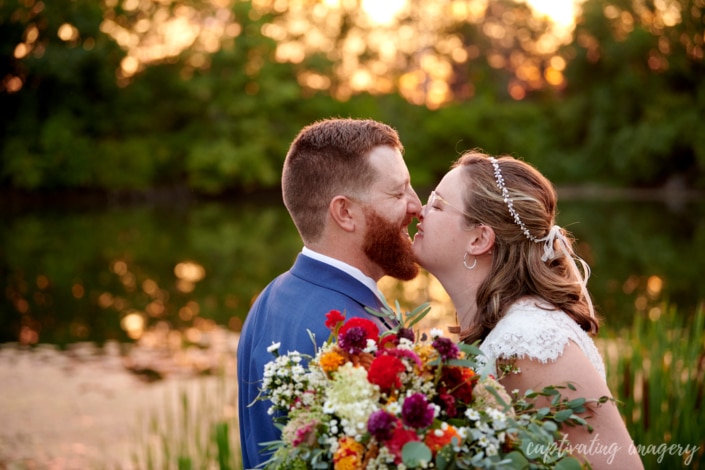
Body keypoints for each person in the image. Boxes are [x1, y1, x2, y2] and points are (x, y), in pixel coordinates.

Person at [412, 151, 643, 469]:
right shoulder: (504, 327)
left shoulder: (528, 340)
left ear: (479, 238)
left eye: (437, 205)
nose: (419, 212)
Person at [237, 118, 422, 469]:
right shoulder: (353, 338)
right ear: (345, 213)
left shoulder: (270, 296)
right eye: (398, 193)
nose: (417, 206)